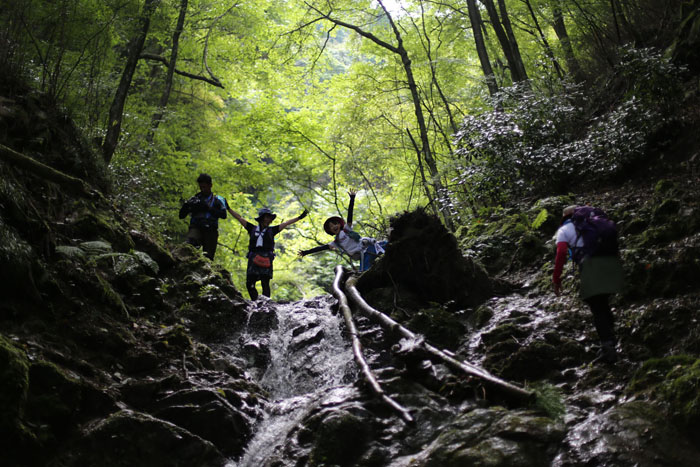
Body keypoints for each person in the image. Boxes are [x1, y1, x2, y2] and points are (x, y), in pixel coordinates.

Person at [552, 205, 624, 364]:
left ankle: (608, 348)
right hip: (611, 263)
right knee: (604, 303)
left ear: (564, 217)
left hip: (591, 267)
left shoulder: (565, 230)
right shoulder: (596, 223)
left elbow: (562, 252)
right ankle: (611, 342)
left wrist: (557, 278)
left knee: (597, 307)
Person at [228, 205, 307, 300]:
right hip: (253, 257)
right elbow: (239, 218)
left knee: (265, 282)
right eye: (266, 217)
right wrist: (228, 208)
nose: (268, 220)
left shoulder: (272, 230)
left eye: (269, 218)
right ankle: (255, 302)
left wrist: (300, 217)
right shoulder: (252, 228)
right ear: (261, 218)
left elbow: (286, 223)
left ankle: (265, 304)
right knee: (250, 283)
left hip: (266, 258)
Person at [299, 191, 385, 272]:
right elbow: (321, 248)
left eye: (334, 224)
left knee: (382, 244)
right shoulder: (336, 242)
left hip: (366, 247)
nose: (334, 226)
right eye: (331, 227)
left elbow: (350, 215)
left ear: (339, 224)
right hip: (359, 254)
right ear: (330, 230)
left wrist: (352, 199)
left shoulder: (346, 230)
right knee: (365, 268)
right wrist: (306, 252)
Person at [179, 173, 227, 260]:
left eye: (204, 187)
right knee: (189, 247)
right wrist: (187, 206)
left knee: (208, 258)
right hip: (196, 227)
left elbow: (224, 215)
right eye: (201, 187)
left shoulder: (217, 200)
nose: (202, 189)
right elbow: (181, 215)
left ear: (210, 185)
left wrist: (208, 208)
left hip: (211, 230)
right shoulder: (195, 199)